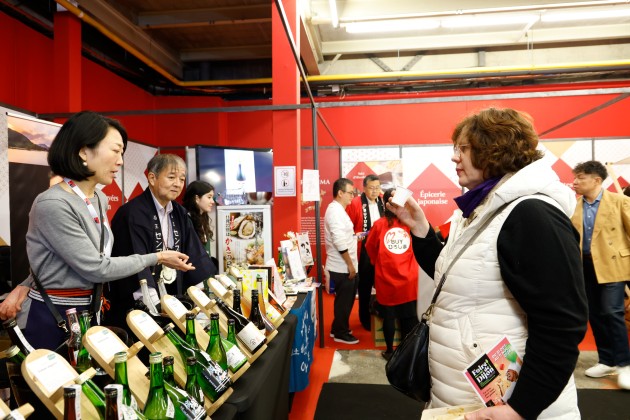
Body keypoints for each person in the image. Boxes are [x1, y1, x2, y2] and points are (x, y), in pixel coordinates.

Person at [387, 108, 587, 419]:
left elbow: (561, 323)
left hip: (509, 406)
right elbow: (451, 278)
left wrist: (522, 409)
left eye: (462, 149)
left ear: (494, 149)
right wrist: (421, 230)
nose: (454, 158)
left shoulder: (532, 214)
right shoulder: (481, 210)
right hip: (468, 395)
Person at [0, 111, 193, 350]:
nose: (121, 161)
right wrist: (158, 256)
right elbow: (95, 267)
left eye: (122, 153)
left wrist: (26, 282)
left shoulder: (98, 198)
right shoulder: (53, 204)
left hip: (89, 312)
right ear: (83, 151)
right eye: (115, 150)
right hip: (54, 317)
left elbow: (61, 258)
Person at [106, 154, 217, 333]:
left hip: (172, 296)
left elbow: (194, 253)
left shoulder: (179, 213)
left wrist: (203, 291)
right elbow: (134, 257)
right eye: (171, 177)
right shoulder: (132, 213)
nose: (178, 184)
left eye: (181, 179)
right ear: (152, 177)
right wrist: (154, 307)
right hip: (141, 305)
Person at [571, 161, 630, 390]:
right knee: (594, 313)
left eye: (581, 177)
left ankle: (625, 364)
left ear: (596, 180)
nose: (575, 181)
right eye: (575, 177)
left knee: (612, 312)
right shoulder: (573, 206)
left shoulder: (620, 202)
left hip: (612, 265)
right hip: (585, 267)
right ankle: (607, 360)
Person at [364, 188, 418, 360]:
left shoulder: (380, 225)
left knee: (389, 315)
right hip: (409, 277)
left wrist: (377, 263)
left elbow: (370, 248)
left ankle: (389, 351)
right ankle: (407, 352)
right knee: (408, 316)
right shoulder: (409, 223)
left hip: (386, 277)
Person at [346, 174, 384, 331]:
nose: (375, 191)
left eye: (377, 187)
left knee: (381, 283)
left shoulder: (382, 201)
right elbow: (348, 228)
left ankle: (379, 313)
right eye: (371, 188)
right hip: (364, 249)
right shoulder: (355, 203)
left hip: (381, 249)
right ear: (364, 188)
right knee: (365, 285)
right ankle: (364, 317)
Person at [325, 178, 359, 344]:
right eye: (350, 192)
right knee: (344, 303)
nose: (352, 196)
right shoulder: (335, 211)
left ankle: (337, 328)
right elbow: (338, 241)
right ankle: (341, 332)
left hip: (343, 265)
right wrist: (351, 266)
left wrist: (354, 237)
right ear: (340, 193)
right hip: (342, 267)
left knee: (344, 301)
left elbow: (343, 236)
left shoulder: (339, 210)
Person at [182, 180, 216, 257]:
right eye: (209, 197)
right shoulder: (186, 220)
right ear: (197, 198)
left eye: (212, 197)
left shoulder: (203, 218)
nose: (212, 201)